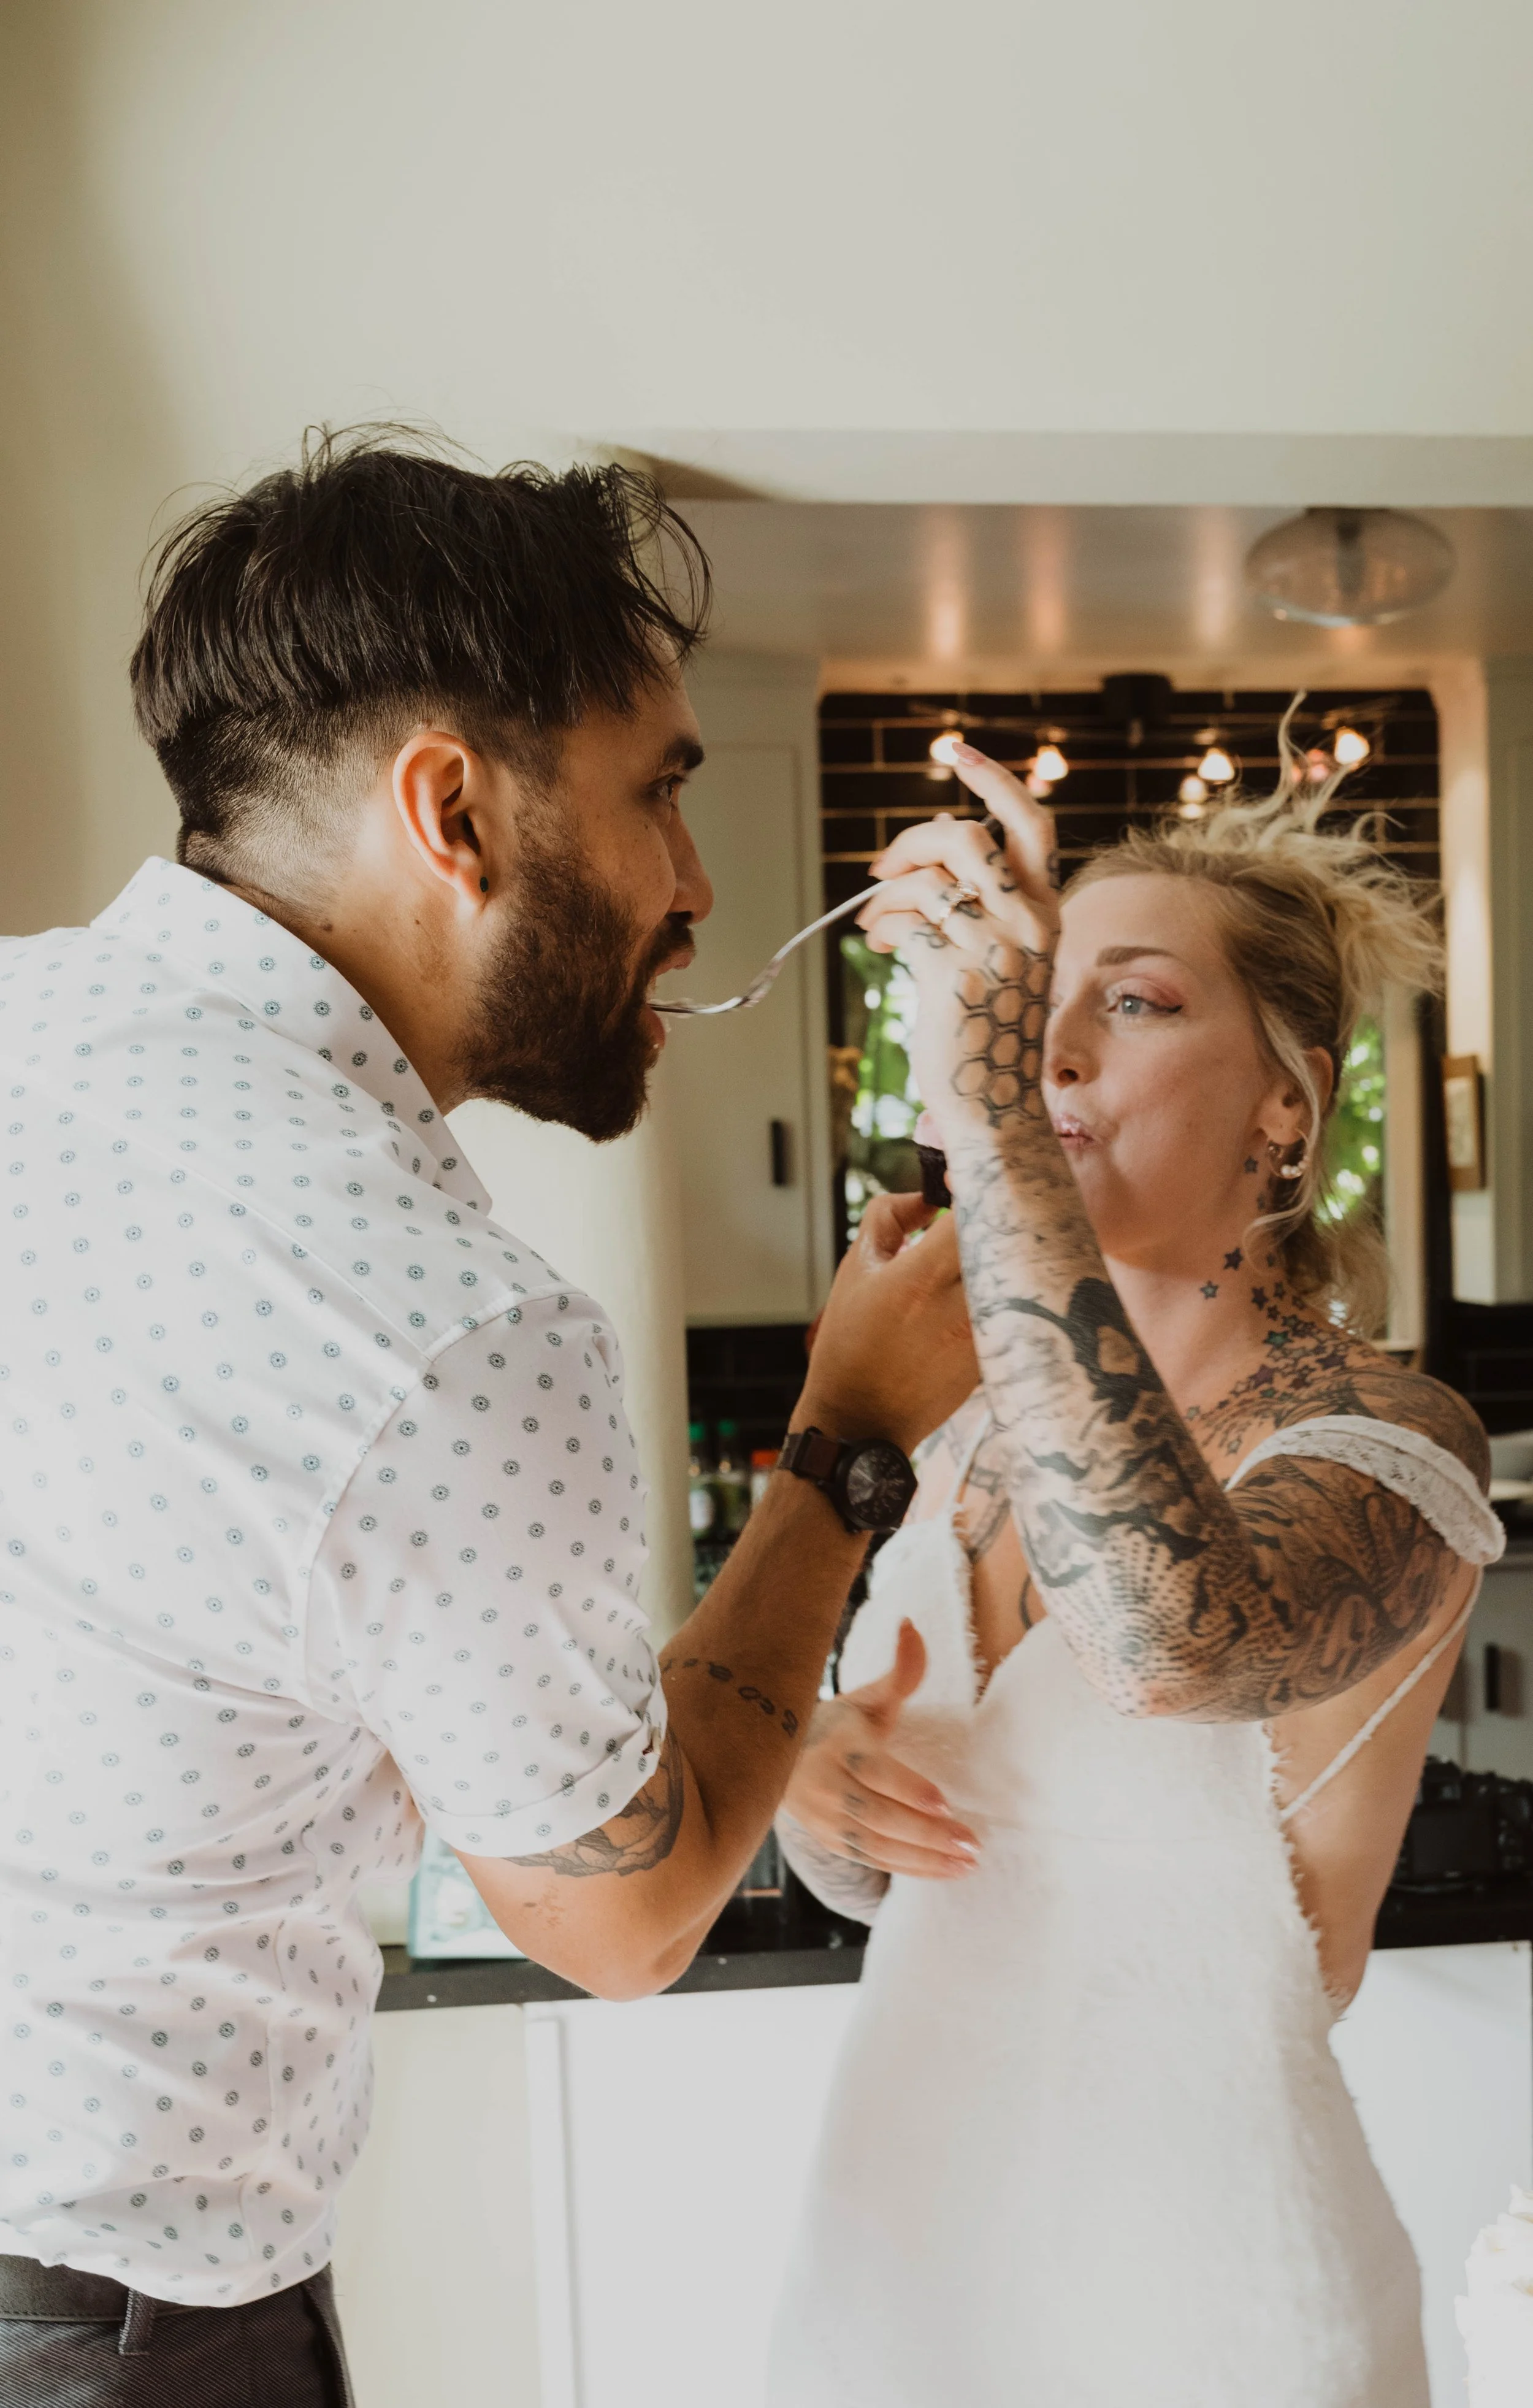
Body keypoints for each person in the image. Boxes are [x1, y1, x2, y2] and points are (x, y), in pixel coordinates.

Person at [0, 431, 977, 2406]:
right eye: (660, 796)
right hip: (105, 2311)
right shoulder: (437, 1321)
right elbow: (620, 1918)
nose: (697, 892)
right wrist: (850, 1435)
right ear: (449, 806)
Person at [769, 725, 1504, 2408]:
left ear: (1285, 1104)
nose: (1053, 1048)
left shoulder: (1389, 1440)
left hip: (1210, 2308)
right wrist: (817, 1787)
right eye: (1043, 999)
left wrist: (988, 1123)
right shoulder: (944, 1431)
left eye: (1136, 1000)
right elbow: (892, 1881)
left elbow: (1167, 1638)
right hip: (894, 2274)